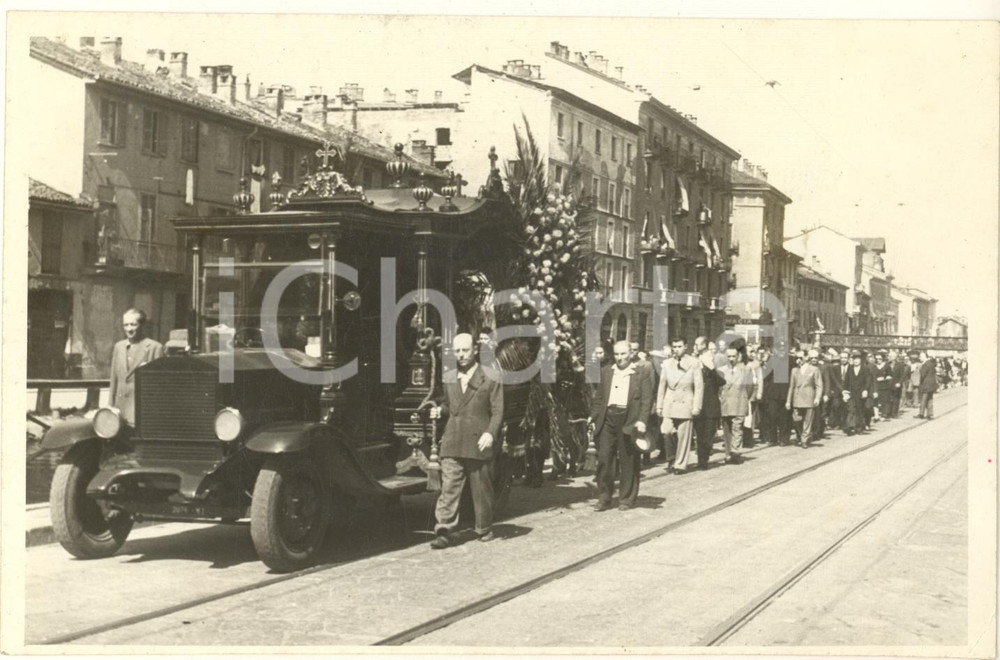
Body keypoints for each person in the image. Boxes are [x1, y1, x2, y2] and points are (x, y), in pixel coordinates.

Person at [428, 333, 504, 548]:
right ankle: (444, 530)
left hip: (478, 439)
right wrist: (439, 412)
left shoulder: (490, 377)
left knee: (481, 488)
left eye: (465, 350)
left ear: (475, 350)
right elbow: (449, 405)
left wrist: (490, 433)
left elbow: (498, 411)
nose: (461, 355)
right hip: (453, 439)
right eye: (457, 351)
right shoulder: (449, 377)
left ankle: (483, 527)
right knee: (449, 487)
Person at [589, 340, 654, 511]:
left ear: (631, 354)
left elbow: (647, 400)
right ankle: (604, 497)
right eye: (617, 354)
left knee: (628, 460)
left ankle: (626, 498)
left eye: (623, 354)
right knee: (604, 459)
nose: (620, 358)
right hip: (608, 418)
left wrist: (642, 420)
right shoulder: (606, 372)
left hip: (629, 419)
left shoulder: (641, 373)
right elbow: (600, 398)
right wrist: (593, 416)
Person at [656, 337, 704, 475]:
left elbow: (699, 386)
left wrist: (697, 406)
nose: (676, 349)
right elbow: (662, 385)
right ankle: (671, 457)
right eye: (674, 346)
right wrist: (659, 405)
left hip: (686, 401)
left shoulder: (694, 363)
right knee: (666, 431)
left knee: (684, 436)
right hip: (670, 402)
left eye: (679, 346)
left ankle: (680, 464)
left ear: (685, 347)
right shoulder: (666, 363)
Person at [108, 308, 165, 425]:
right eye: (126, 325)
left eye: (133, 324)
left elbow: (160, 385)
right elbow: (114, 379)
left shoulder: (155, 348)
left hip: (141, 413)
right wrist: (110, 406)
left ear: (142, 325)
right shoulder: (119, 347)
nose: (129, 329)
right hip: (119, 413)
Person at [718, 347, 755, 464]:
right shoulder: (721, 370)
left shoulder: (746, 369)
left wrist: (744, 397)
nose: (731, 359)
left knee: (737, 428)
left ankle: (735, 452)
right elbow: (718, 388)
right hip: (726, 403)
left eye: (733, 356)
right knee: (727, 429)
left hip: (740, 402)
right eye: (729, 356)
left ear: (738, 356)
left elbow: (750, 387)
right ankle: (728, 453)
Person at [692, 336, 724, 470]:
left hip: (711, 404)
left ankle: (704, 458)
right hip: (698, 403)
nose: (695, 347)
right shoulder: (694, 361)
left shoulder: (715, 360)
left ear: (704, 345)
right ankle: (701, 460)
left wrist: (711, 368)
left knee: (708, 433)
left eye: (697, 344)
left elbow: (722, 381)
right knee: (699, 434)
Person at [786, 348, 823, 447]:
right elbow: (791, 386)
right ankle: (803, 434)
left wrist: (817, 398)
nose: (798, 360)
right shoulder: (794, 370)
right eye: (796, 358)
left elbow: (819, 385)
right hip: (797, 398)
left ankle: (804, 439)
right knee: (796, 419)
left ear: (806, 358)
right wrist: (788, 401)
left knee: (808, 420)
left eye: (800, 358)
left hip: (809, 398)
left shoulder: (814, 369)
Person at [842, 350, 873, 435]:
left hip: (861, 393)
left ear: (861, 360)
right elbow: (846, 381)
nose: (855, 361)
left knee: (860, 410)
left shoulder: (865, 369)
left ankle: (859, 428)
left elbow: (868, 381)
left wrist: (865, 390)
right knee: (851, 409)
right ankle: (849, 426)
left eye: (857, 359)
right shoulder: (850, 368)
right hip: (851, 392)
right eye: (854, 359)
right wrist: (844, 391)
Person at [871, 351, 895, 421]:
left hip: (885, 386)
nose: (878, 360)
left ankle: (884, 415)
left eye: (880, 359)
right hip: (876, 385)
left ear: (883, 359)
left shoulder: (887, 366)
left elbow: (890, 376)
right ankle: (876, 415)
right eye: (877, 359)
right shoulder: (874, 366)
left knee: (885, 401)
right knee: (876, 400)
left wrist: (884, 378)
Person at [917, 352, 938, 420]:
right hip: (931, 385)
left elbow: (922, 375)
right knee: (930, 399)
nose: (919, 358)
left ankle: (921, 414)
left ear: (924, 357)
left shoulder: (925, 364)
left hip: (925, 385)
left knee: (923, 399)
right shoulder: (931, 363)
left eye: (920, 357)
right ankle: (930, 414)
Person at [889, 351, 910, 418]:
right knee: (889, 399)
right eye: (888, 356)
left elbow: (902, 375)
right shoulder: (887, 364)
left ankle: (894, 413)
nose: (888, 357)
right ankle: (889, 412)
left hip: (896, 384)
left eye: (890, 356)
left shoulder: (900, 365)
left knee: (896, 399)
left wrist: (899, 383)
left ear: (894, 357)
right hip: (889, 384)